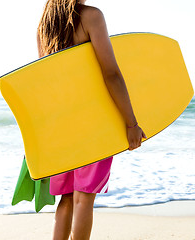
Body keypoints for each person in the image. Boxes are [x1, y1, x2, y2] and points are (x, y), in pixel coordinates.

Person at [37, 0, 147, 239]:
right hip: (92, 121)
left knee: (66, 198)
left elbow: (44, 83)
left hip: (59, 123)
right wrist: (132, 123)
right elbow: (111, 73)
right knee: (84, 197)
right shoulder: (91, 16)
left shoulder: (45, 24)